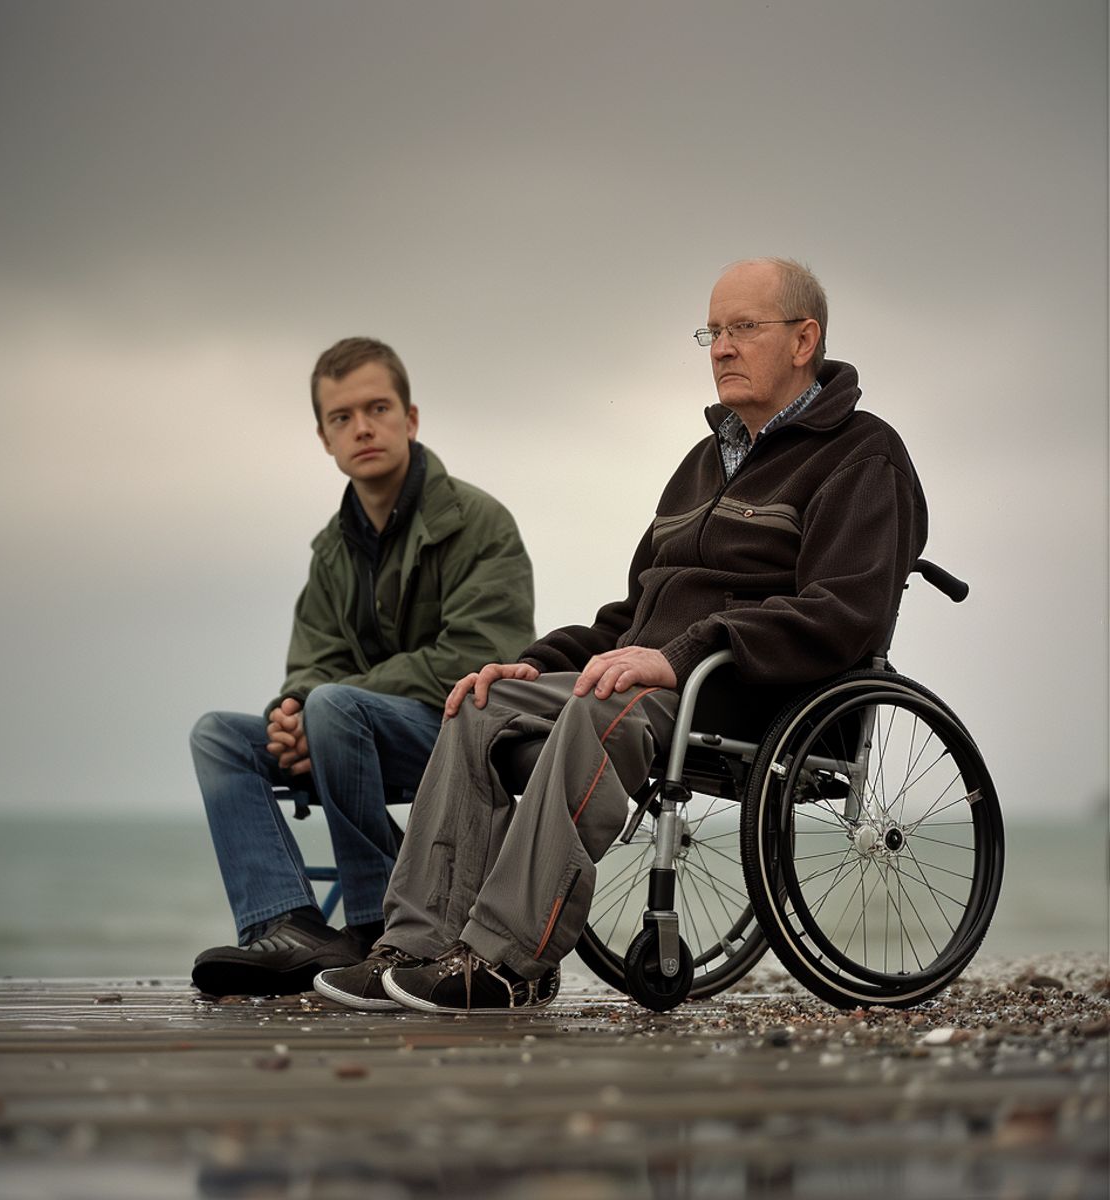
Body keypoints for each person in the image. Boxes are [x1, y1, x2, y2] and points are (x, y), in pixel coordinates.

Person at [314, 258, 929, 1014]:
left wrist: (678, 656)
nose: (722, 348)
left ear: (805, 340)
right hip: (662, 678)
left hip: (755, 689)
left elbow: (844, 612)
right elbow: (633, 615)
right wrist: (531, 664)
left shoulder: (864, 454)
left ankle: (507, 962)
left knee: (600, 710)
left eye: (744, 329)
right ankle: (417, 943)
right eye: (714, 331)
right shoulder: (702, 465)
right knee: (477, 706)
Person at [189, 337, 535, 997]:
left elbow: (474, 658)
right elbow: (313, 660)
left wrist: (324, 705)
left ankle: (381, 926)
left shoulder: (480, 523)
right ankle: (287, 927)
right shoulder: (332, 547)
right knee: (219, 735)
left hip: (461, 733)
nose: (363, 428)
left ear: (411, 418)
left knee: (332, 707)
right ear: (324, 438)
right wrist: (288, 717)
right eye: (342, 417)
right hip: (348, 733)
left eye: (377, 408)